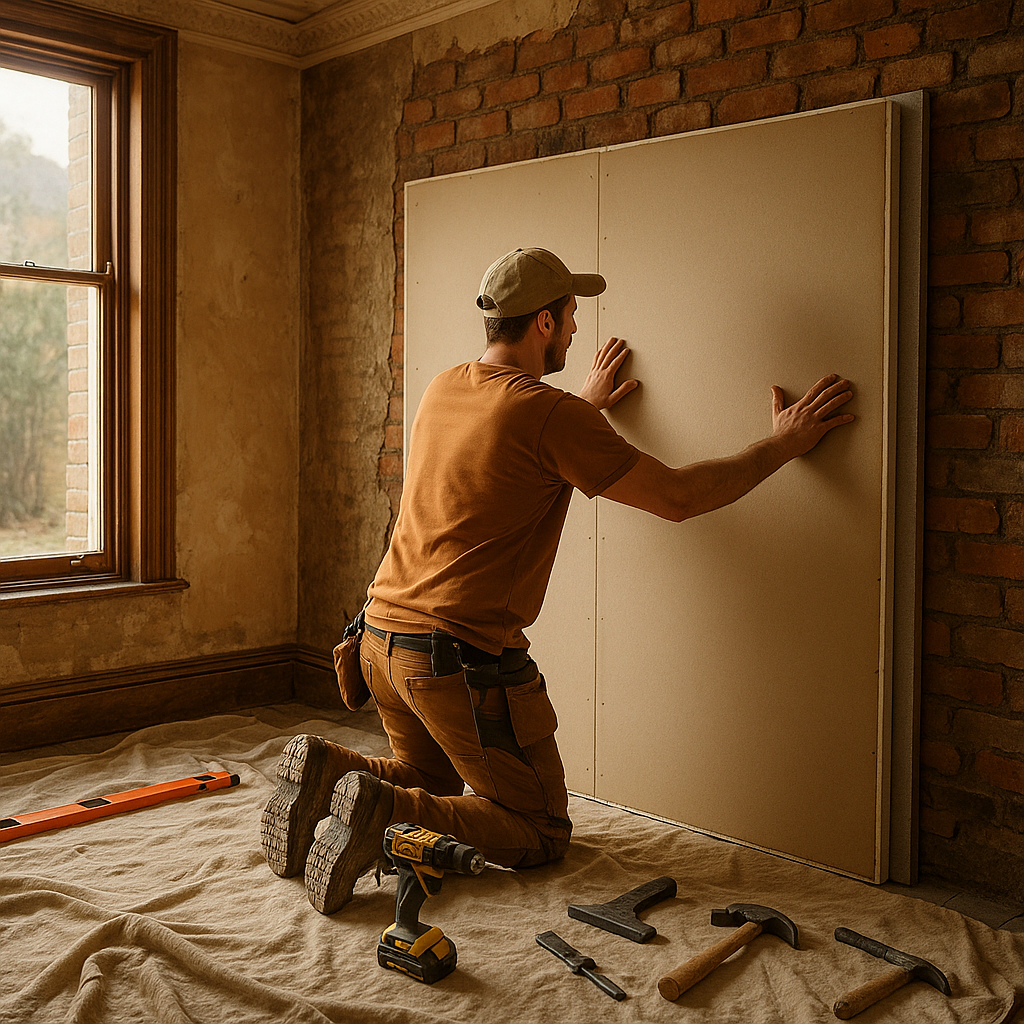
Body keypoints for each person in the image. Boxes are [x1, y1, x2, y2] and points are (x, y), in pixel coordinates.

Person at [261, 247, 855, 914]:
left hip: (379, 639)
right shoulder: (549, 416)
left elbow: (510, 442)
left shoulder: (448, 386)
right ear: (543, 323)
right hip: (450, 661)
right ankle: (379, 809)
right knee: (537, 828)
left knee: (429, 776)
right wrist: (782, 442)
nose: (576, 328)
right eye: (571, 315)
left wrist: (580, 408)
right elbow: (679, 498)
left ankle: (330, 773)